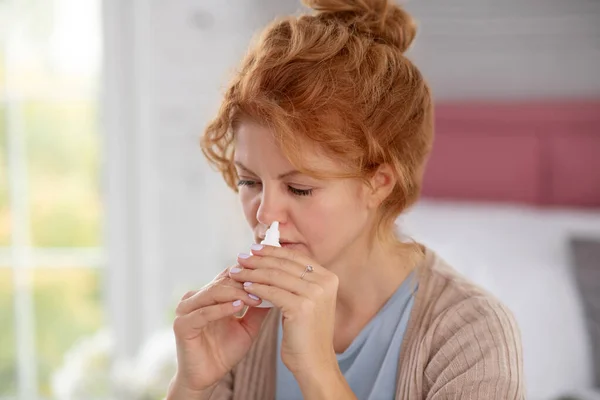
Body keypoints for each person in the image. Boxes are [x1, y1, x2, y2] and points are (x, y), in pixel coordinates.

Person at [166, 0, 525, 399]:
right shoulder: (246, 321)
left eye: (299, 188)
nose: (264, 213)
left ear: (379, 182)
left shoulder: (471, 337)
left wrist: (317, 371)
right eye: (249, 182)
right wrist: (193, 384)